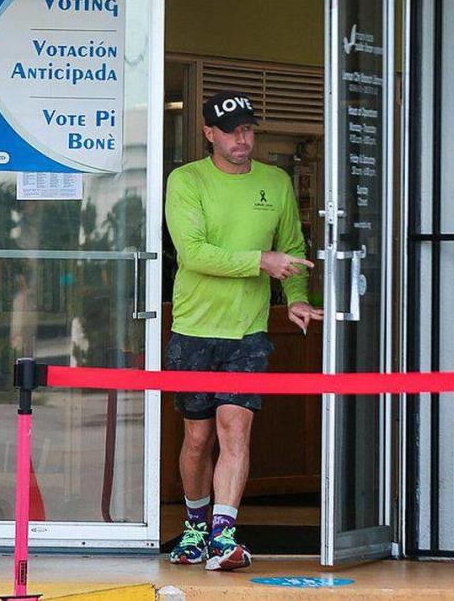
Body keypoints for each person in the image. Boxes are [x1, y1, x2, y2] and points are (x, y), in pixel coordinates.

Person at [164, 91, 322, 571]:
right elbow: (193, 253)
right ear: (209, 133)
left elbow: (292, 246)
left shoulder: (275, 183)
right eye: (231, 130)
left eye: (249, 129)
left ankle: (223, 536)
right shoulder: (187, 180)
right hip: (193, 326)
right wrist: (260, 261)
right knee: (197, 437)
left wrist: (297, 298)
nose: (242, 139)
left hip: (249, 330)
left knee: (236, 428)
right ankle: (193, 527)